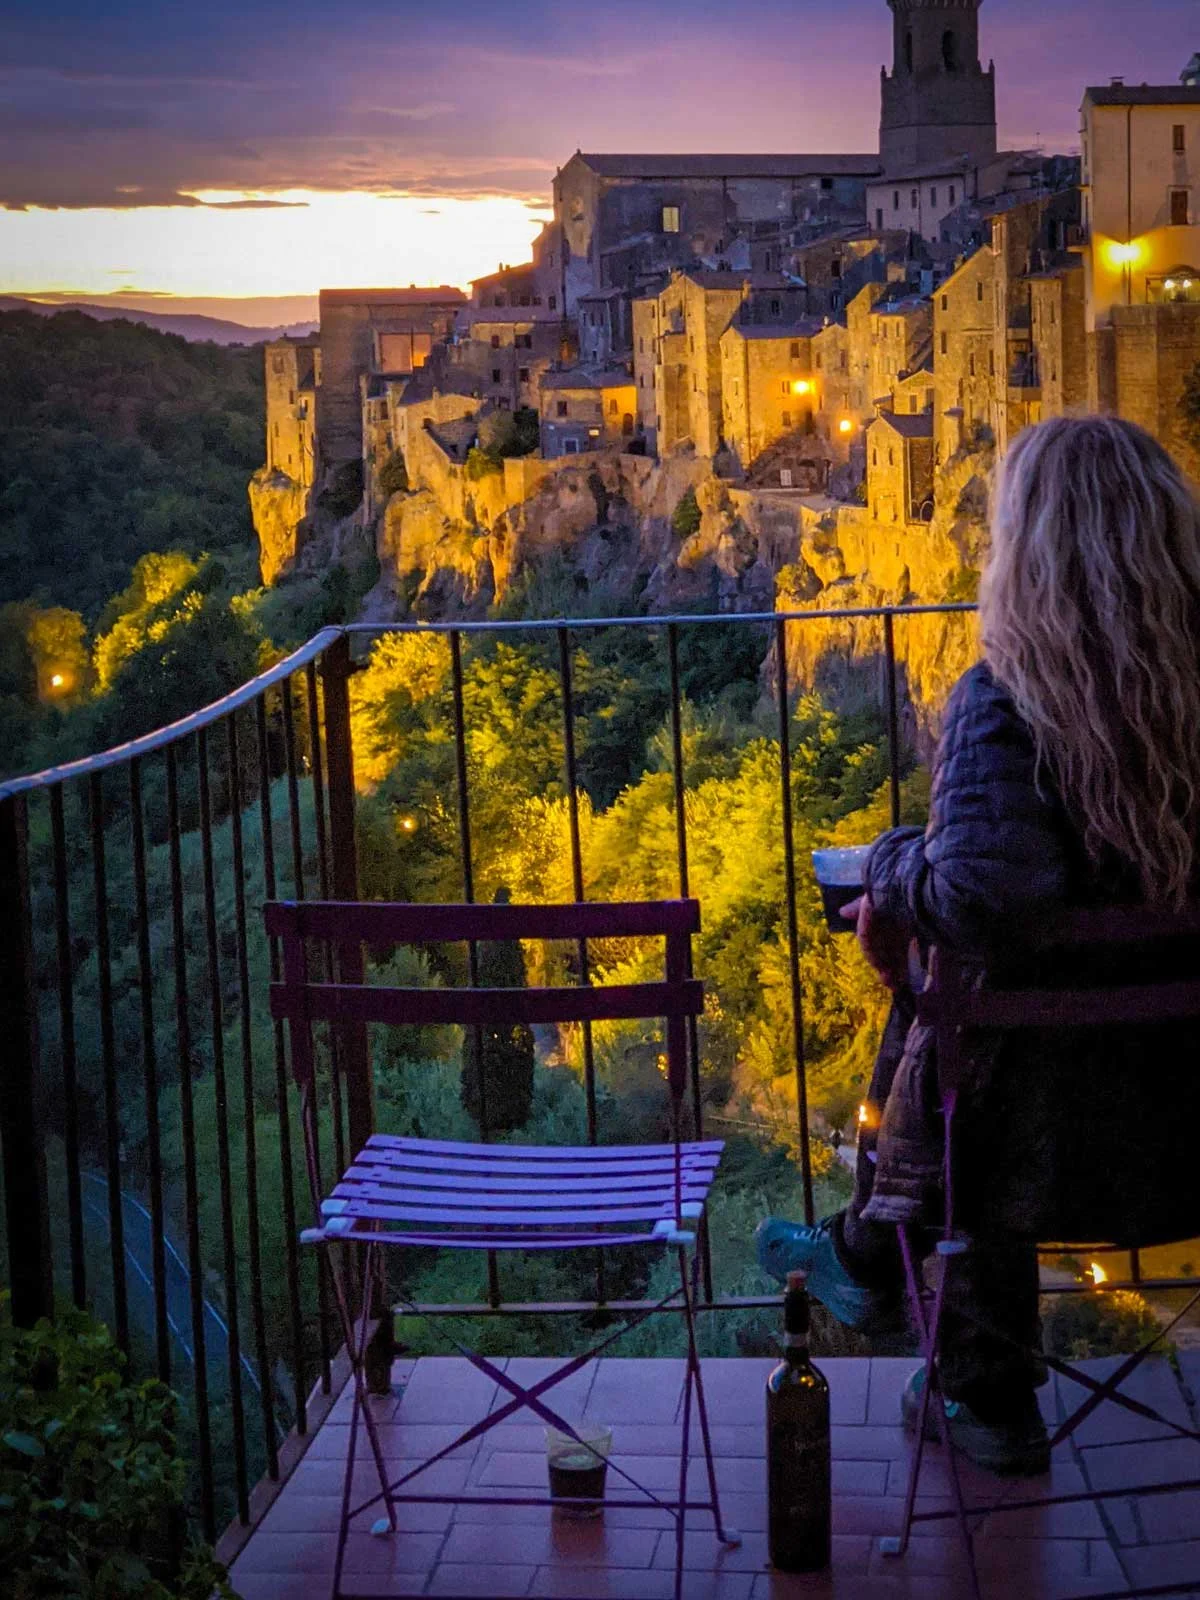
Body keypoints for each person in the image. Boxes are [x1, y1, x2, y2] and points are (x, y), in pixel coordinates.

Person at [757, 415, 1200, 1475]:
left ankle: (976, 1377)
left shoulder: (1007, 702)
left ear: (1029, 547)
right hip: (1189, 1121)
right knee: (955, 1001)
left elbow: (984, 890)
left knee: (952, 1022)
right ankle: (867, 1260)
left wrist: (892, 864)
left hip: (1030, 1161)